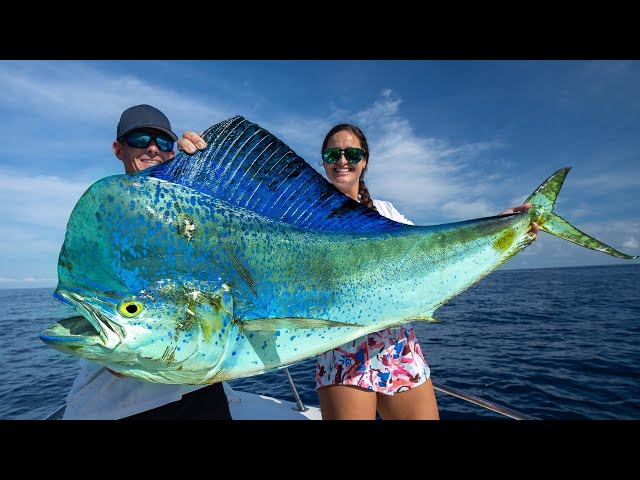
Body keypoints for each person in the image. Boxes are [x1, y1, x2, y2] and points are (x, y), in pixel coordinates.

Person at [314, 123, 539, 420]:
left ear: (364, 160)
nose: (342, 161)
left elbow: (435, 249)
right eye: (333, 154)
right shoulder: (309, 219)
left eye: (352, 153)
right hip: (342, 346)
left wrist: (499, 227)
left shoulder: (386, 212)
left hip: (396, 343)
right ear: (324, 161)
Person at [62, 104, 232, 420]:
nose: (152, 148)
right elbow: (118, 361)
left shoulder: (190, 207)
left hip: (198, 384)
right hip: (124, 402)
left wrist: (205, 171)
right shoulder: (103, 214)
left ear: (171, 153)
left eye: (162, 143)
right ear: (118, 149)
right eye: (140, 139)